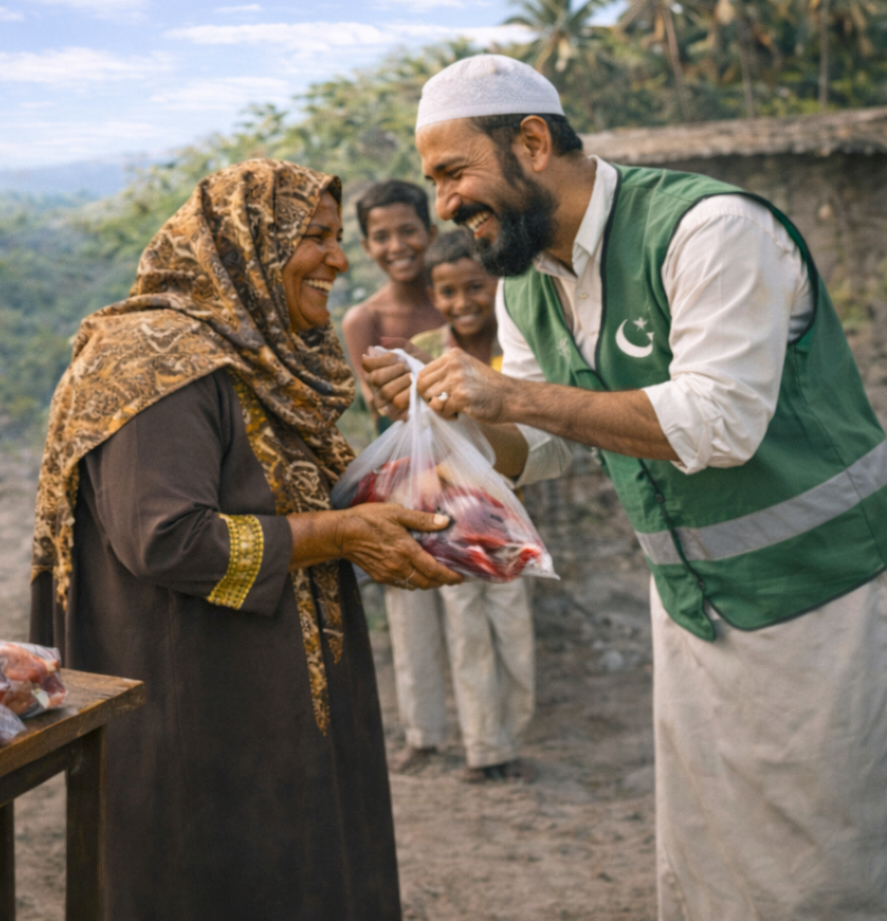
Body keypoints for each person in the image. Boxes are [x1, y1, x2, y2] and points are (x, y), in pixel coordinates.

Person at [364, 55, 887, 920]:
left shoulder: (710, 230)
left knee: (824, 865)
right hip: (690, 603)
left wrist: (512, 393)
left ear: (531, 140)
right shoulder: (529, 283)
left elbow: (721, 423)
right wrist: (445, 411)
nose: (445, 205)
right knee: (712, 856)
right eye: (434, 183)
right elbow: (543, 441)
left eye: (453, 173)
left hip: (821, 595)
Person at [29, 159, 462, 921]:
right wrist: (341, 533)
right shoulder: (155, 359)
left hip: (266, 704)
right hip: (194, 713)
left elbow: (276, 490)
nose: (338, 258)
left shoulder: (257, 356)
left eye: (337, 238)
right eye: (315, 236)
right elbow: (164, 539)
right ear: (245, 242)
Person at [391, 228, 537, 783]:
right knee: (468, 632)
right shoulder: (428, 353)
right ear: (433, 295)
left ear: (497, 285)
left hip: (505, 519)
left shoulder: (516, 354)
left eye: (474, 287)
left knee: (512, 634)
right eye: (447, 293)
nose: (462, 303)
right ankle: (486, 750)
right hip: (449, 519)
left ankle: (509, 735)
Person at [342, 179, 444, 433]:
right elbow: (381, 409)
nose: (397, 247)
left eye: (408, 231)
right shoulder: (365, 321)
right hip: (418, 453)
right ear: (367, 246)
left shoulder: (463, 302)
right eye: (381, 237)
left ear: (431, 234)